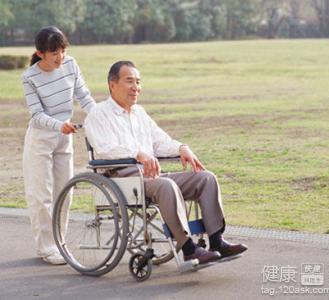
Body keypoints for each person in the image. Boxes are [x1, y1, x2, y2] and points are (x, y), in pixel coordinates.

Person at [84, 60, 247, 265]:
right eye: (129, 81)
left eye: (138, 82)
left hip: (151, 176)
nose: (136, 87)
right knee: (166, 185)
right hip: (122, 178)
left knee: (206, 179)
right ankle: (188, 249)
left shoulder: (139, 113)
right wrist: (138, 153)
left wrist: (181, 148)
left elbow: (160, 141)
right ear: (112, 84)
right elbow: (104, 149)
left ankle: (216, 241)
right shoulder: (98, 114)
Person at [22, 27, 96, 265]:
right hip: (40, 139)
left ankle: (59, 243)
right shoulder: (29, 77)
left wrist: (101, 117)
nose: (60, 57)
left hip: (65, 137)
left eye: (63, 50)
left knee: (65, 192)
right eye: (54, 52)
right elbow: (36, 115)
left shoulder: (71, 65)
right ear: (40, 53)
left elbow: (84, 96)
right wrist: (58, 125)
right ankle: (46, 247)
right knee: (41, 195)